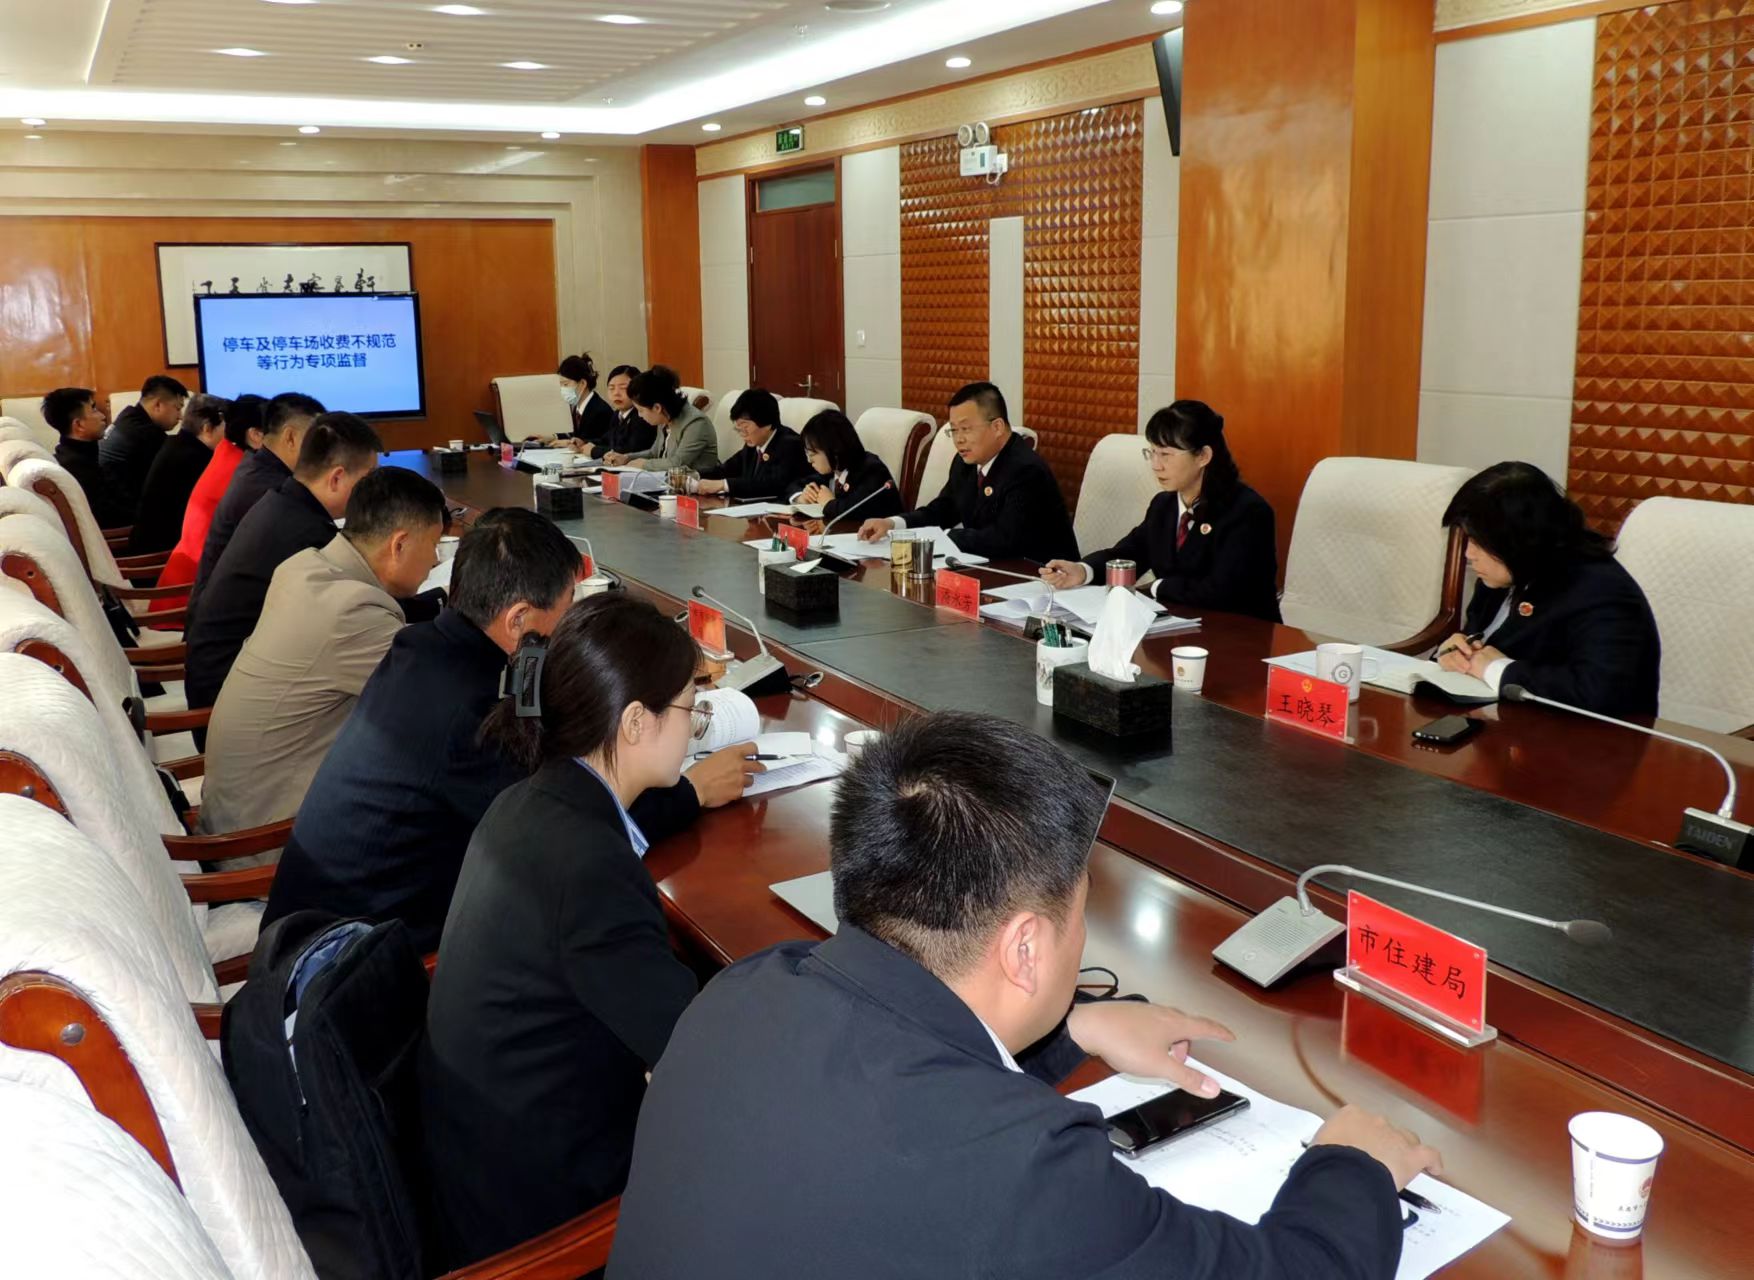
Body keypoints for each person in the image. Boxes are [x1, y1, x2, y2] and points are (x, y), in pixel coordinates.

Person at [609, 711, 1440, 1280]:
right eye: (1081, 915)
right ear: (1026, 947)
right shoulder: (1027, 1172)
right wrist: (1353, 1169)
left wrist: (1073, 1031)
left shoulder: (744, 990)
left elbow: (902, 1078)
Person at [263, 508, 761, 951]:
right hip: (355, 966)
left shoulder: (428, 649)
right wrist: (692, 791)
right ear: (519, 619)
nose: (568, 624)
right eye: (567, 605)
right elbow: (565, 822)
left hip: (328, 914)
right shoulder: (465, 712)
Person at [422, 594, 706, 1268]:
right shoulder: (590, 865)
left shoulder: (527, 801)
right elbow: (693, 1049)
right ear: (635, 722)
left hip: (479, 1155)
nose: (696, 729)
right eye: (691, 710)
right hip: (541, 1213)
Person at [197, 467, 447, 840]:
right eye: (433, 545)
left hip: (237, 808)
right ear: (399, 545)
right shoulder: (351, 612)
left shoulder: (304, 567)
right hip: (270, 837)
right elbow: (436, 699)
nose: (435, 560)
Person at [184, 411, 382, 710]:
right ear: (337, 478)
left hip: (218, 676)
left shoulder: (282, 501)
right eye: (368, 480)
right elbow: (359, 610)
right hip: (231, 699)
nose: (373, 492)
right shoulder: (306, 533)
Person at [1438, 461, 1661, 717]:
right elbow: (1480, 640)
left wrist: (1498, 669)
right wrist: (1455, 652)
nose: (1468, 554)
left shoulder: (1602, 592)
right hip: (1501, 722)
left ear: (1518, 539)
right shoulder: (1502, 573)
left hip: (1582, 738)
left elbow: (1601, 693)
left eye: (1479, 542)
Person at [1039, 401, 1280, 622]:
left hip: (1241, 636)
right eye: (1152, 452)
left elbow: (1222, 591)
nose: (1156, 465)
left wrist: (1156, 588)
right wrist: (1083, 571)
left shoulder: (1247, 512)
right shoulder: (1164, 505)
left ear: (1203, 456)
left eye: (1165, 454)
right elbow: (1129, 553)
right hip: (1179, 629)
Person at [859, 381, 1077, 562]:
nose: (959, 439)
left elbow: (1003, 540)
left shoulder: (1026, 470)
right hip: (993, 571)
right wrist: (894, 524)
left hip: (1041, 580)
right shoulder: (965, 463)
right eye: (954, 430)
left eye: (965, 429)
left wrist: (939, 537)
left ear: (997, 427)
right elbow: (943, 510)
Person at [188, 391, 325, 617]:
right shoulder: (268, 487)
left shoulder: (257, 466)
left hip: (220, 610)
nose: (323, 451)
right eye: (317, 440)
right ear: (290, 438)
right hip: (229, 625)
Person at [150, 393, 265, 613]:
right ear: (255, 434)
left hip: (186, 581)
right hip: (192, 598)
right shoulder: (244, 471)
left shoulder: (226, 454)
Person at [126, 394, 227, 556]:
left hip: (150, 545)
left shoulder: (176, 443)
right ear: (207, 428)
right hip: (162, 556)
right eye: (225, 427)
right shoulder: (196, 459)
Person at [688, 389, 807, 500]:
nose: (742, 434)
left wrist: (723, 485)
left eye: (745, 427)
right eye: (738, 429)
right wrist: (693, 476)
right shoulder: (754, 444)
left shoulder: (791, 444)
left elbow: (771, 484)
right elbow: (726, 469)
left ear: (767, 424)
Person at [39, 387, 130, 529]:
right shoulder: (77, 469)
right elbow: (109, 518)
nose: (103, 416)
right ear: (79, 425)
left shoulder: (75, 456)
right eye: (94, 409)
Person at [793, 409, 902, 525]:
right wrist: (802, 496)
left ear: (834, 449)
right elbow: (793, 485)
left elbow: (856, 510)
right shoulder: (832, 469)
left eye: (812, 454)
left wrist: (829, 504)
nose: (809, 460)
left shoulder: (872, 470)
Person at [101, 375, 188, 517]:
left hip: (112, 501)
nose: (180, 416)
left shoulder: (128, 416)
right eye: (177, 408)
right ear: (158, 405)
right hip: (124, 512)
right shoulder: (145, 433)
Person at [604, 365, 718, 473]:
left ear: (657, 408)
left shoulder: (696, 423)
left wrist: (644, 464)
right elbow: (654, 453)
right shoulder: (664, 417)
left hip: (696, 483)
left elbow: (677, 463)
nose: (639, 415)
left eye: (641, 410)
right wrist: (626, 458)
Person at [569, 364, 652, 459]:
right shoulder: (617, 414)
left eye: (623, 388)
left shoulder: (642, 416)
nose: (616, 393)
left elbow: (630, 450)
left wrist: (594, 451)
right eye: (611, 388)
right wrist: (584, 443)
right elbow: (606, 440)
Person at [556, 351, 616, 446]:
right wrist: (553, 437)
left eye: (566, 384)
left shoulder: (600, 411)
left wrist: (569, 443)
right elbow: (575, 435)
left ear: (583, 383)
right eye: (561, 385)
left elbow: (596, 441)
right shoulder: (578, 408)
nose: (562, 389)